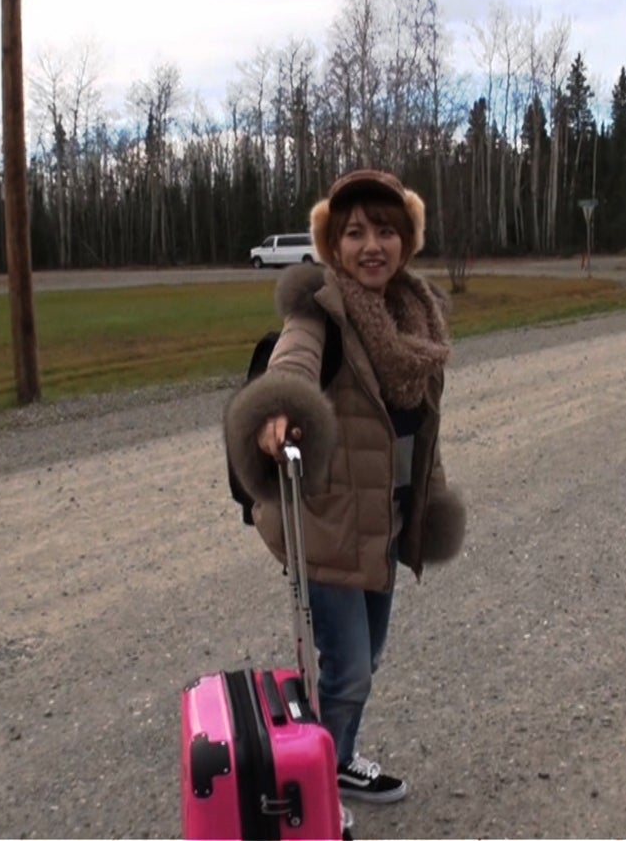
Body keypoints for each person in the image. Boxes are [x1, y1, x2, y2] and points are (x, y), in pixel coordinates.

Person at [224, 168, 466, 812]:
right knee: (349, 668)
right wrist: (277, 413)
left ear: (406, 242)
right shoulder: (320, 312)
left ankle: (338, 756)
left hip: (382, 526)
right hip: (326, 525)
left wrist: (428, 506)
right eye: (355, 232)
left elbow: (421, 438)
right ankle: (313, 787)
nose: (371, 245)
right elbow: (293, 363)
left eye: (386, 230)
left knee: (367, 659)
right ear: (333, 246)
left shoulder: (418, 327)